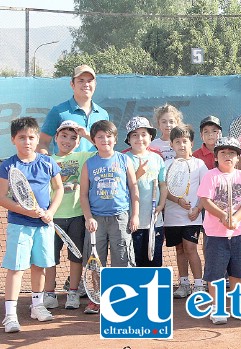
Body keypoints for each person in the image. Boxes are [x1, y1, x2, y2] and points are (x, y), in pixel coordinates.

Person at [0, 117, 64, 333]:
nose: (26, 141)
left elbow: (59, 189)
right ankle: (10, 315)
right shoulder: (8, 165)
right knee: (16, 269)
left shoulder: (47, 163)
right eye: (21, 138)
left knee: (40, 266)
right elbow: (1, 197)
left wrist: (51, 212)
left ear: (37, 139)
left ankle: (37, 306)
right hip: (20, 225)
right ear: (13, 140)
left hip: (44, 225)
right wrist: (25, 211)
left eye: (31, 137)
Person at [79, 120, 139, 314]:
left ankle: (121, 297)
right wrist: (88, 217)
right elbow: (83, 194)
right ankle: (97, 297)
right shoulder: (89, 164)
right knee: (96, 260)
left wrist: (135, 215)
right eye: (100, 137)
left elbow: (133, 188)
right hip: (96, 219)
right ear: (94, 140)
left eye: (109, 136)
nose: (105, 140)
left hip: (120, 218)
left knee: (123, 258)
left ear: (115, 139)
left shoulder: (124, 160)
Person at [197, 137, 241, 325]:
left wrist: (236, 218)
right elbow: (206, 201)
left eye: (231, 153)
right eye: (223, 153)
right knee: (216, 274)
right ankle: (217, 307)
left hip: (237, 235)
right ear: (216, 157)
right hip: (215, 235)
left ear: (238, 158)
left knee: (237, 273)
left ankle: (237, 305)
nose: (227, 156)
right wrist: (223, 216)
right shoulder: (210, 176)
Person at [43, 120, 93, 310]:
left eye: (73, 138)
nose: (68, 141)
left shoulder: (82, 158)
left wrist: (85, 133)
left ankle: (73, 292)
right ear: (56, 138)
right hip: (52, 218)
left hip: (76, 216)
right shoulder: (46, 160)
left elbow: (104, 149)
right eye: (64, 136)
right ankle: (49, 293)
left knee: (76, 257)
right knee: (50, 257)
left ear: (79, 142)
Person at [165, 125, 208, 298]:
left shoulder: (199, 164)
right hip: (172, 217)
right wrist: (177, 200)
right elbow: (164, 190)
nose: (181, 145)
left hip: (193, 216)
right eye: (177, 142)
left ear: (191, 143)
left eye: (185, 141)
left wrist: (198, 208)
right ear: (171, 145)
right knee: (179, 249)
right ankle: (184, 283)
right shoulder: (167, 164)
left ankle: (198, 284)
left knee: (191, 248)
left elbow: (206, 191)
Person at [124, 116, 167, 268]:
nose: (139, 138)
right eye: (134, 135)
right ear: (128, 139)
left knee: (154, 259)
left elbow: (163, 184)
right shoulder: (124, 159)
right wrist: (137, 174)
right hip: (132, 221)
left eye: (143, 134)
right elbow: (123, 188)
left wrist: (161, 205)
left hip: (154, 220)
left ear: (150, 137)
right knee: (135, 259)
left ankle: (153, 290)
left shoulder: (157, 159)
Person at [38, 64, 109, 155]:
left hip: (95, 168)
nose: (86, 84)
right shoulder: (58, 112)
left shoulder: (103, 114)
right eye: (81, 81)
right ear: (72, 84)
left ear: (95, 84)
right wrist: (49, 164)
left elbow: (106, 145)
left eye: (90, 81)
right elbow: (42, 143)